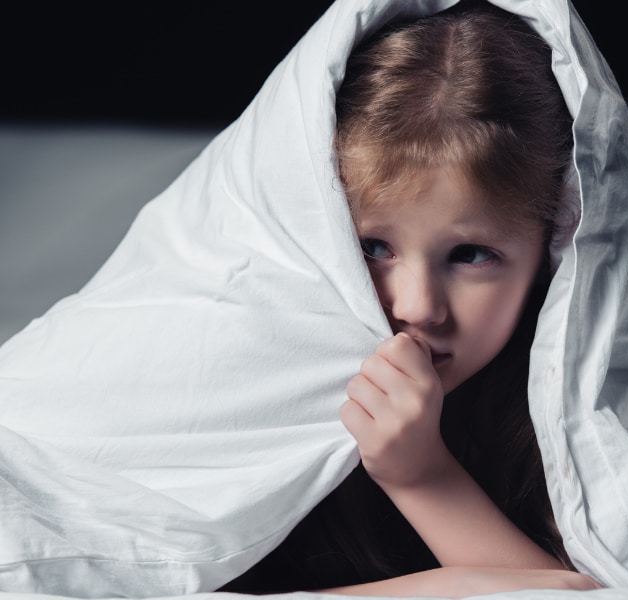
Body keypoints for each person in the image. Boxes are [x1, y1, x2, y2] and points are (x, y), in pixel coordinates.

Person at [222, 1, 598, 595]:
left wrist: (421, 476)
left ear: (549, 259)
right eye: (371, 247)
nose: (418, 307)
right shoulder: (234, 371)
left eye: (472, 255)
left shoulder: (563, 407)